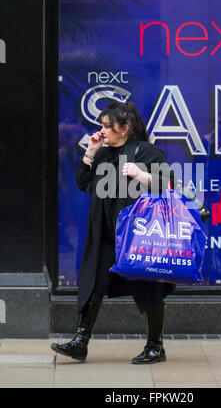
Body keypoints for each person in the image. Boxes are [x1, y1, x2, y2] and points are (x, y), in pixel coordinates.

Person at [51, 102, 175, 364]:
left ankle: (156, 346)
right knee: (94, 285)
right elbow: (83, 183)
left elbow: (168, 184)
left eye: (108, 125)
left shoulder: (146, 152)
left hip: (139, 236)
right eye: (102, 125)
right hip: (106, 235)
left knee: (149, 287)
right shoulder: (104, 154)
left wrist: (142, 175)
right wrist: (90, 152)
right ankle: (80, 343)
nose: (102, 130)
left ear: (125, 128)